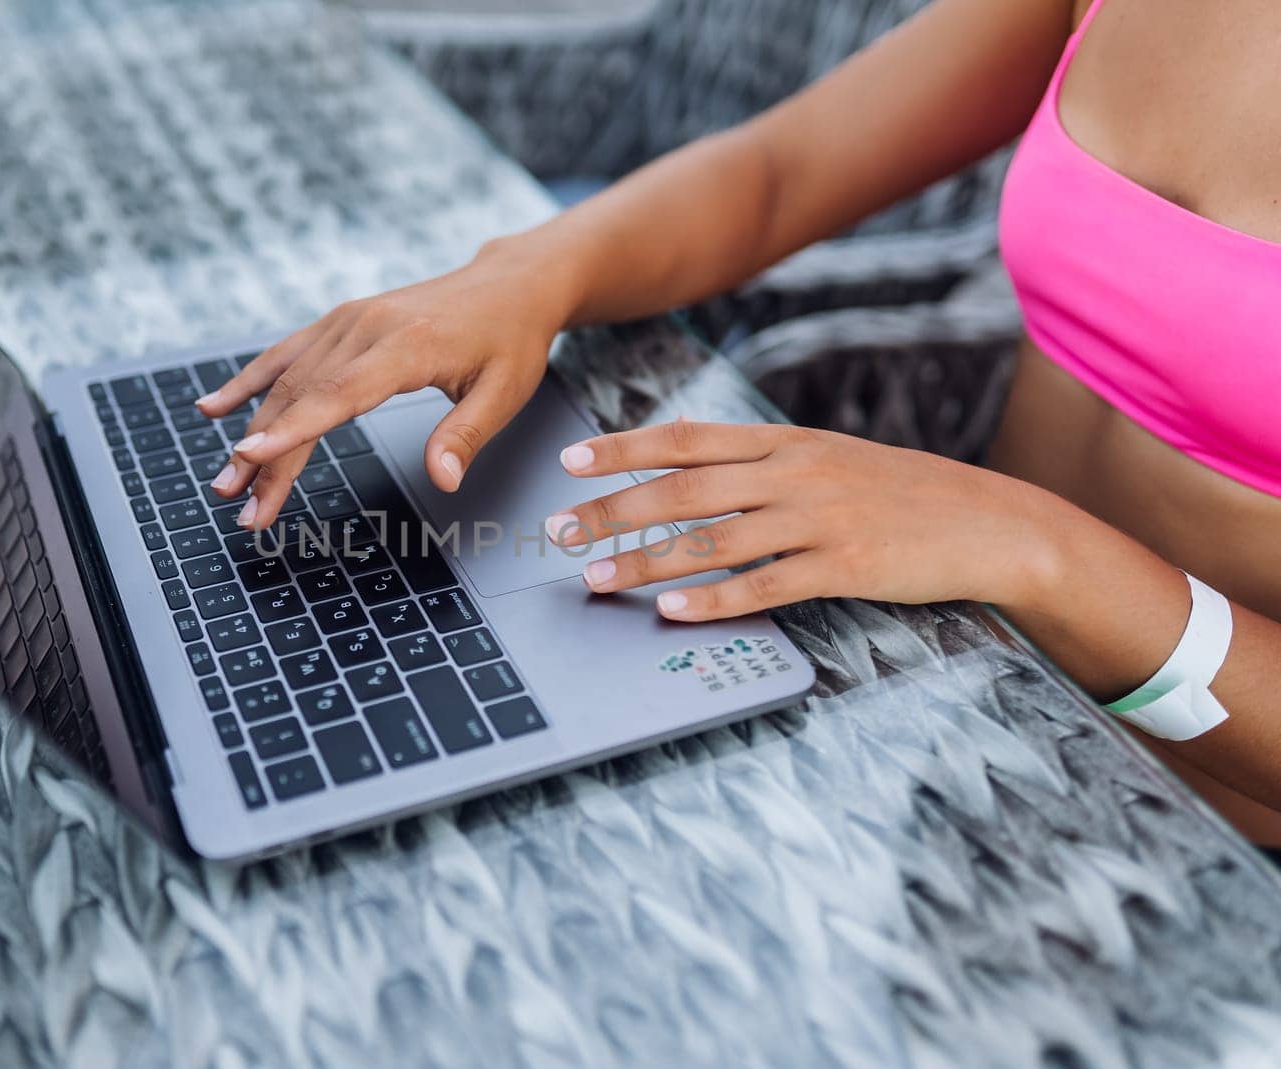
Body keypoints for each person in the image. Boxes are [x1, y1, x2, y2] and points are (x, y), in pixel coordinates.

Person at [195, 0, 1281, 843]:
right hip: (960, 711)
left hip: (1205, 851)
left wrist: (1034, 546)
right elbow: (783, 171)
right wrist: (526, 275)